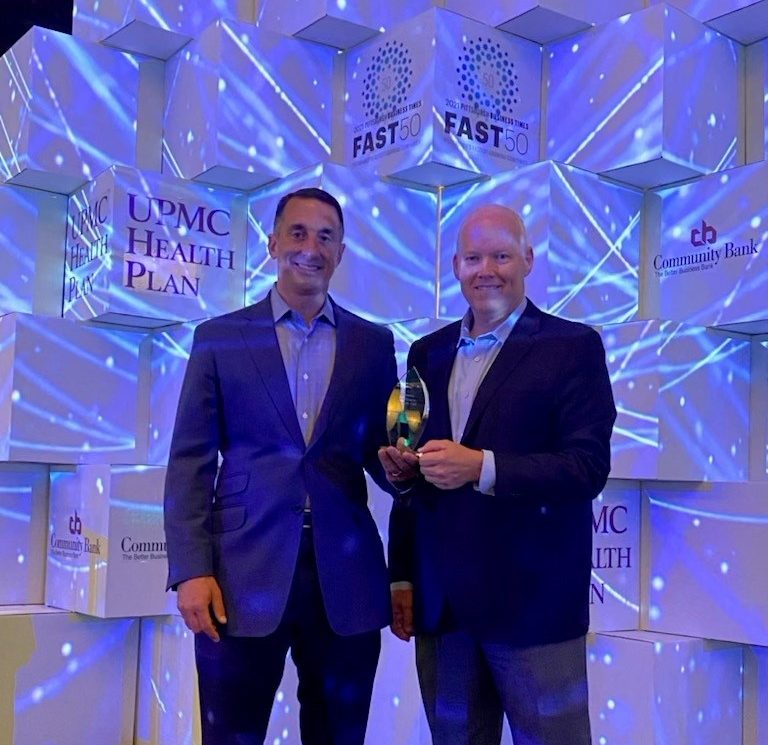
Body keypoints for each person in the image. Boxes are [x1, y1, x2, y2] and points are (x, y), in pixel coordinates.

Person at [164, 187, 397, 745]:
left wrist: (403, 468)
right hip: (240, 576)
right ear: (272, 243)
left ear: (341, 252)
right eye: (297, 232)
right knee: (232, 735)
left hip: (346, 578)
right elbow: (190, 461)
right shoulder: (219, 338)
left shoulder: (374, 343)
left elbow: (380, 457)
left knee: (340, 734)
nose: (310, 247)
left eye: (325, 236)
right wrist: (191, 570)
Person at [380, 204, 617, 745]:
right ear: (456, 267)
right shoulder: (428, 351)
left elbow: (586, 468)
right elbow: (414, 477)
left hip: (534, 608)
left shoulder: (572, 346)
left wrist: (480, 466)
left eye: (501, 255)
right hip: (444, 608)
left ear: (528, 260)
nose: (486, 268)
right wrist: (402, 479)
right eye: (472, 257)